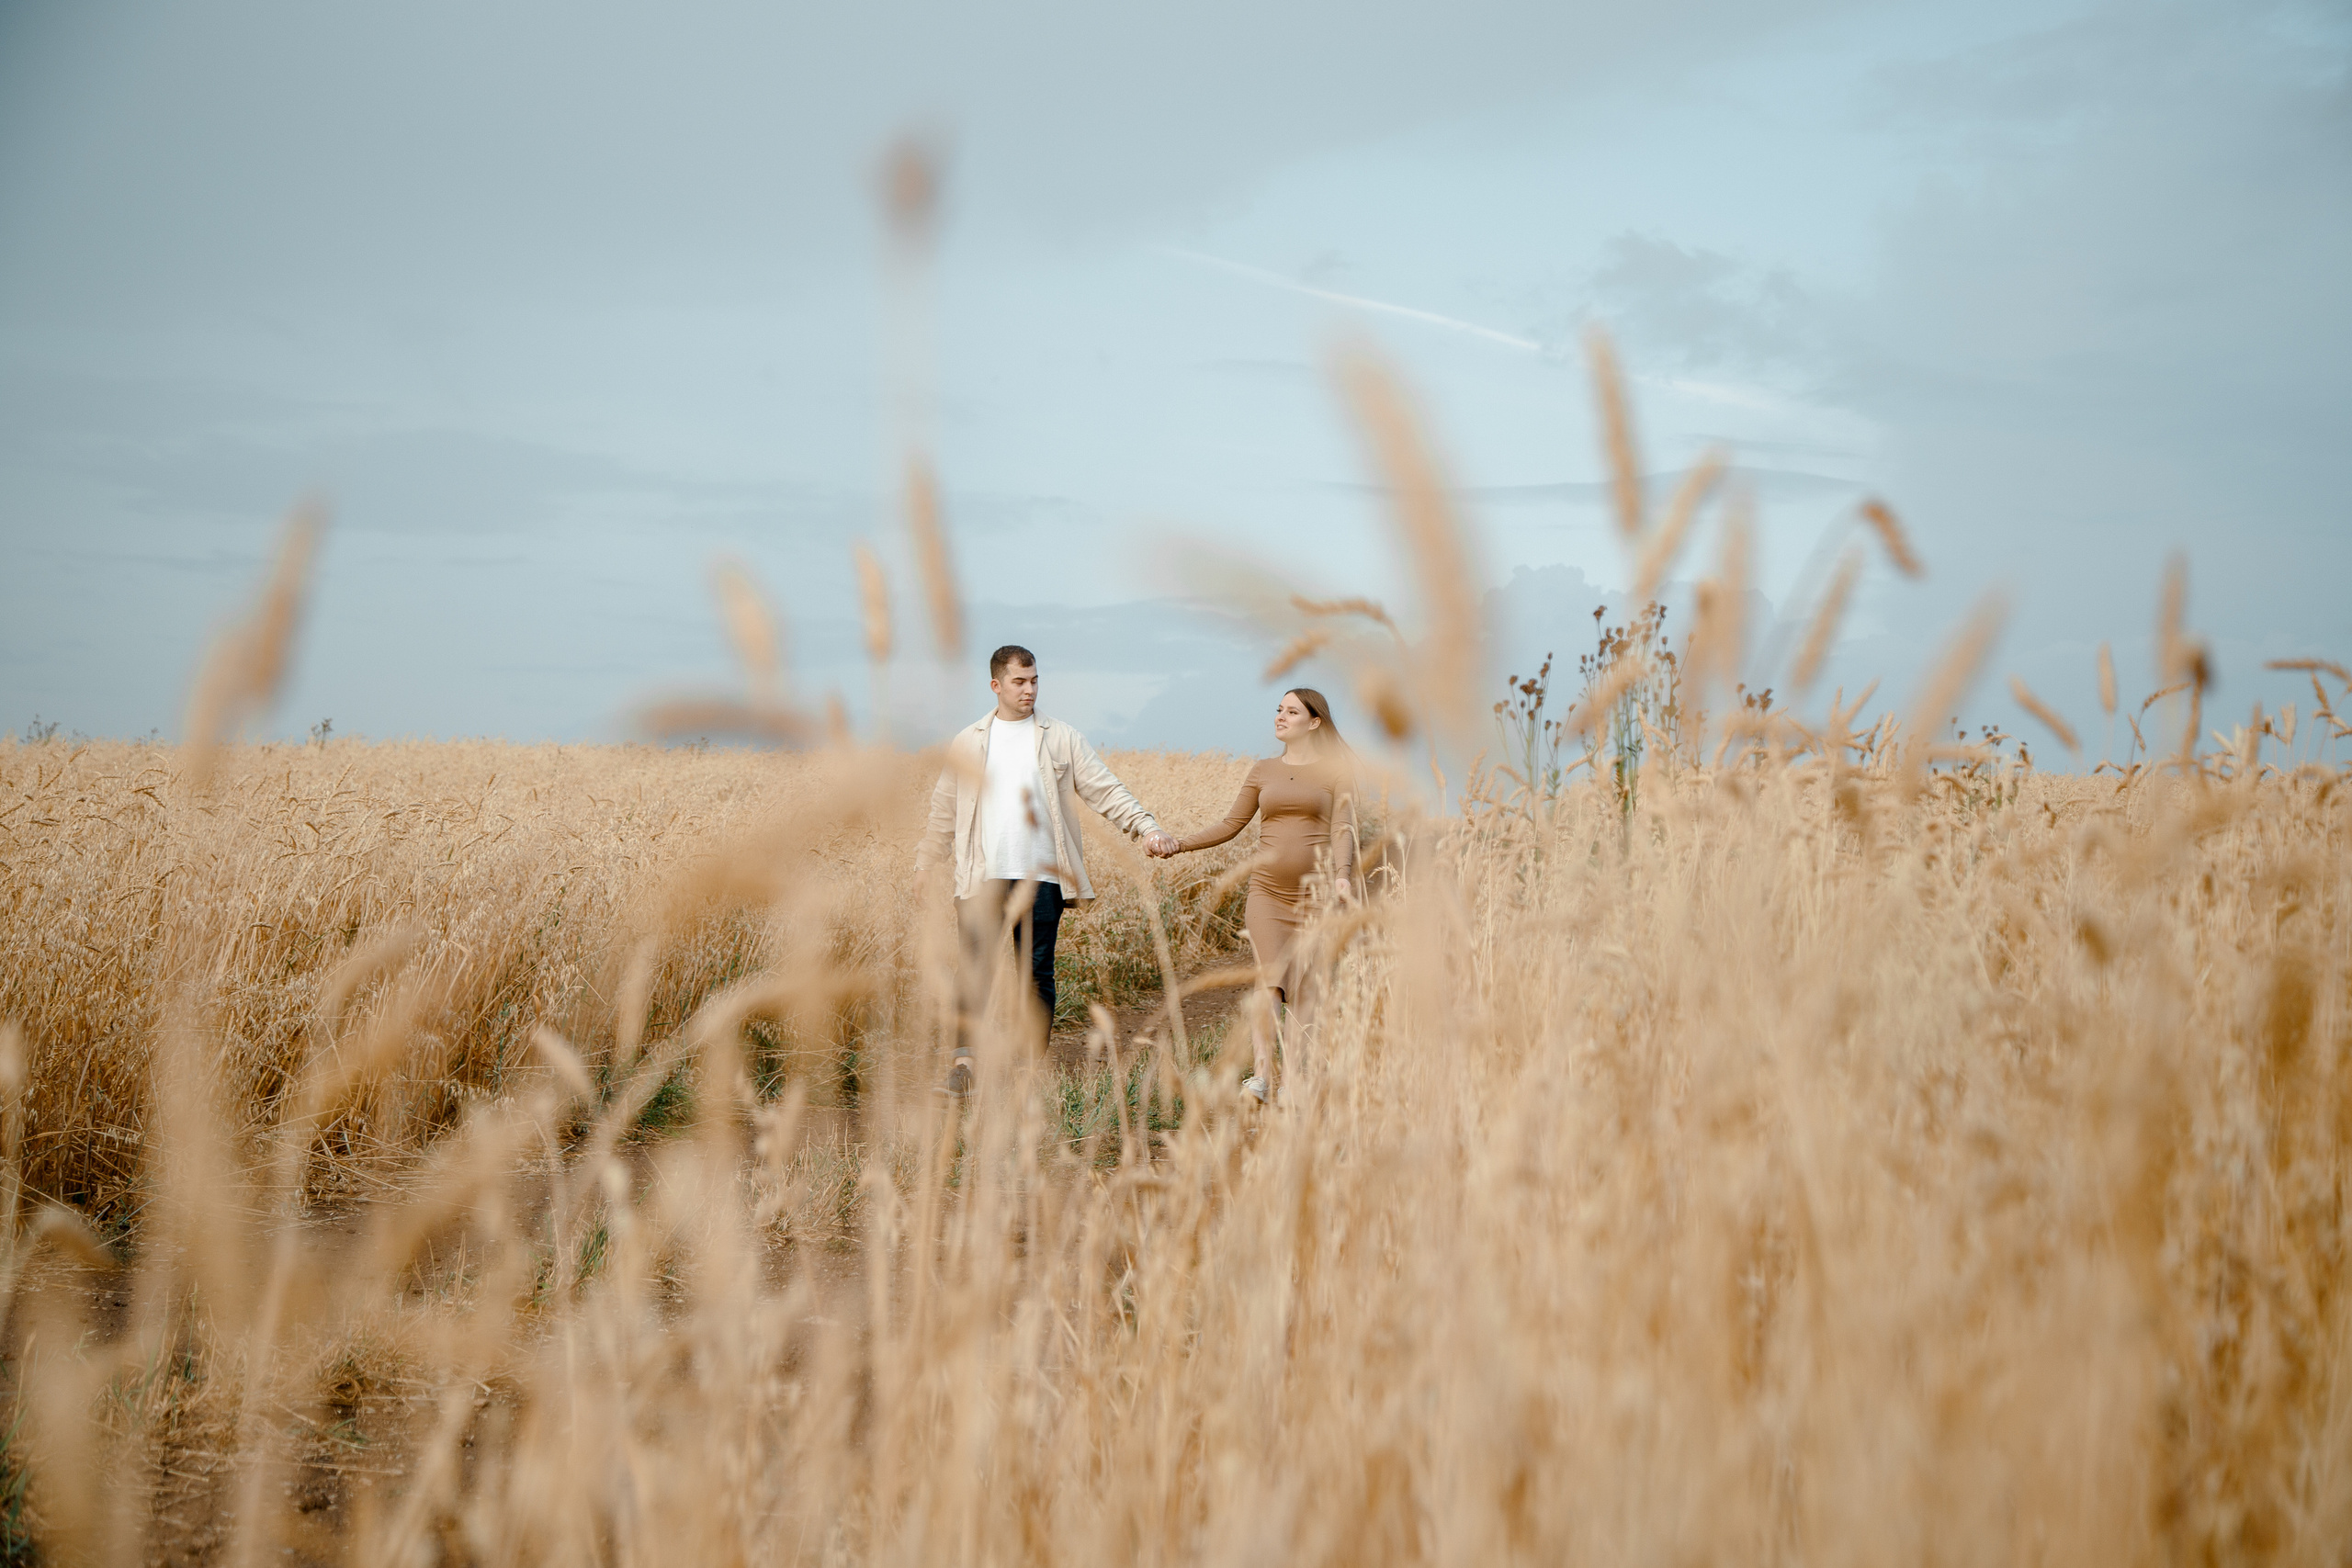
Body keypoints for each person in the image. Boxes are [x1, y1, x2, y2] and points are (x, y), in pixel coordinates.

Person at [917, 645, 1180, 1096]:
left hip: (1043, 877)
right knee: (974, 970)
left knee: (1034, 972)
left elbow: (1105, 789)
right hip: (981, 878)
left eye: (1035, 680)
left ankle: (1028, 1070)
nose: (1030, 689)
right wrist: (926, 860)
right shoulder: (970, 741)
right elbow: (944, 808)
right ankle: (964, 1067)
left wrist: (1146, 827)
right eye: (1019, 682)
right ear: (996, 685)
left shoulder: (1060, 737)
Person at [1151, 687, 1356, 1103]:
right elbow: (1231, 824)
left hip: (1315, 893)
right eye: (1279, 709)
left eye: (1292, 711)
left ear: (1314, 722)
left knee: (1305, 985)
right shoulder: (1263, 770)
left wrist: (1342, 876)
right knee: (1271, 981)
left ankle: (1295, 1081)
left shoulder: (1336, 771)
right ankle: (1263, 1077)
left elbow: (1343, 828)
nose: (1280, 717)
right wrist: (1180, 843)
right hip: (1267, 892)